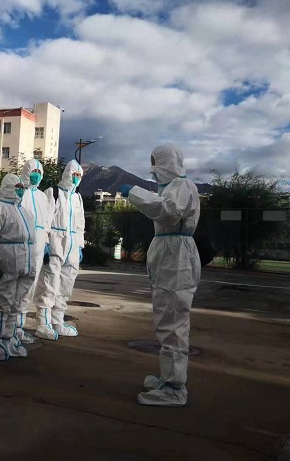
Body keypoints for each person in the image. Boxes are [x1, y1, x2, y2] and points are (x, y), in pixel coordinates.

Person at [118, 143, 201, 407]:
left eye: (156, 162)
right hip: (170, 256)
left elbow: (168, 210)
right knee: (167, 317)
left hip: (177, 258)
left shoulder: (182, 186)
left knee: (173, 321)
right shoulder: (172, 187)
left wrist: (135, 193)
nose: (153, 168)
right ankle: (168, 378)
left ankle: (175, 388)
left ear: (166, 162)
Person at [0, 173, 36, 360]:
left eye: (22, 187)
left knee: (16, 304)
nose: (20, 190)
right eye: (17, 187)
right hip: (6, 264)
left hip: (24, 265)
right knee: (2, 303)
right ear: (8, 187)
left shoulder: (24, 212)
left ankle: (8, 338)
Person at [34, 160, 85, 340]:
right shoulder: (53, 193)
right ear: (67, 173)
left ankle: (58, 321)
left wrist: (79, 245)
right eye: (74, 174)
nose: (76, 178)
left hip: (71, 246)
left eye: (79, 175)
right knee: (49, 284)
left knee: (65, 285)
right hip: (56, 242)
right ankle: (43, 323)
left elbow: (80, 224)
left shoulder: (77, 197)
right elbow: (45, 220)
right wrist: (46, 242)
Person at [16, 159, 52, 344]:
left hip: (38, 246)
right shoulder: (19, 191)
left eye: (39, 172)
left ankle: (19, 327)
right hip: (21, 244)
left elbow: (46, 222)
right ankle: (12, 328)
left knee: (30, 285)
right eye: (33, 171)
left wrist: (46, 243)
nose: (36, 175)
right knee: (18, 286)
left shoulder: (42, 197)